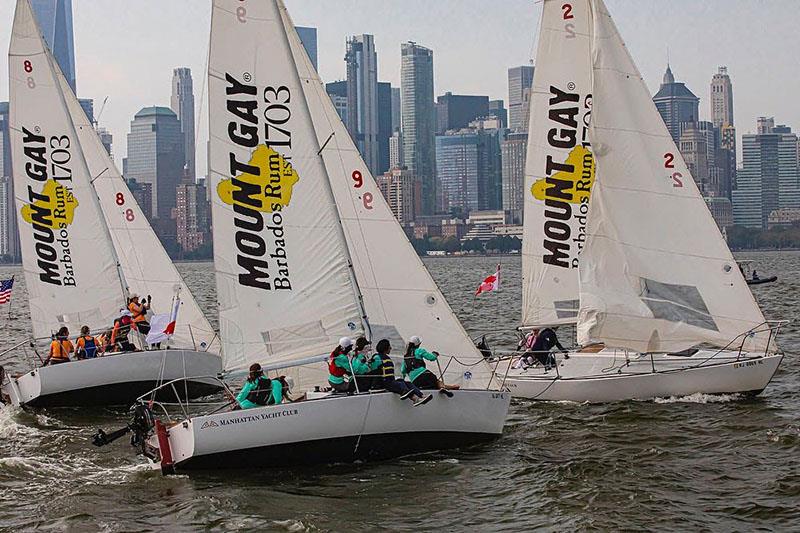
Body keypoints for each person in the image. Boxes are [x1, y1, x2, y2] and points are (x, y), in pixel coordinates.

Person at [372, 339, 432, 406]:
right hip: (385, 382)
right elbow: (373, 370)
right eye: (389, 347)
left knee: (407, 383)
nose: (391, 348)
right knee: (400, 384)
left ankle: (421, 396)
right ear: (385, 348)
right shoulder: (377, 357)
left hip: (390, 381)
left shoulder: (386, 357)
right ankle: (414, 398)